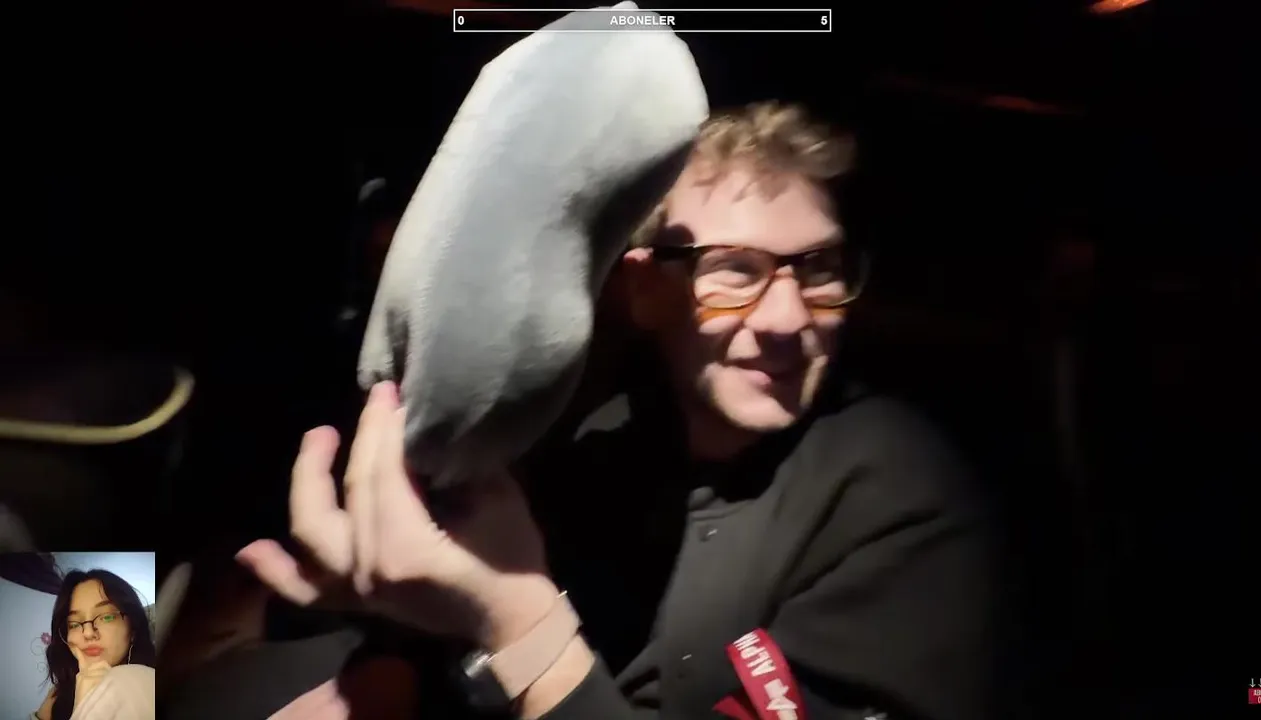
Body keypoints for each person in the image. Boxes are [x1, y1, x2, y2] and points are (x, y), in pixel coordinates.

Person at [221, 101, 1005, 720]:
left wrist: (522, 625)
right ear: (645, 291)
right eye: (734, 271)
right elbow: (462, 635)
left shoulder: (900, 494)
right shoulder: (609, 439)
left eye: (818, 268)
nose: (787, 318)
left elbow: (517, 628)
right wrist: (394, 671)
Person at [34, 569, 158, 720]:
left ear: (133, 629)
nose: (88, 633)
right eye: (73, 624)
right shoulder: (56, 697)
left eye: (106, 617)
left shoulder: (149, 684)